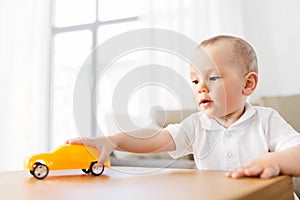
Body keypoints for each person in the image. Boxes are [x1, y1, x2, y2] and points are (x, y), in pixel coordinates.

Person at [67, 35, 300, 179]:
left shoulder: (266, 120)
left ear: (247, 84)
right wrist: (114, 140)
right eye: (195, 80)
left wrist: (274, 161)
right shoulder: (196, 126)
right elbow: (156, 138)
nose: (201, 88)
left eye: (213, 78)